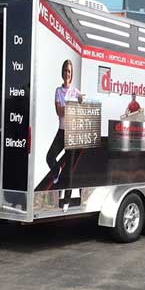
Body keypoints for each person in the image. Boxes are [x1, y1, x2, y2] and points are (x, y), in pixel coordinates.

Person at [46, 59, 83, 212]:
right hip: (62, 131)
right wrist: (71, 107)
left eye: (69, 71)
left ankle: (66, 201)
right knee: (49, 157)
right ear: (62, 72)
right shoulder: (58, 91)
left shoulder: (76, 91)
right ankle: (56, 171)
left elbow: (82, 106)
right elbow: (58, 112)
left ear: (71, 74)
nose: (67, 73)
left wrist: (75, 104)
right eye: (65, 71)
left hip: (73, 132)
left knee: (69, 169)